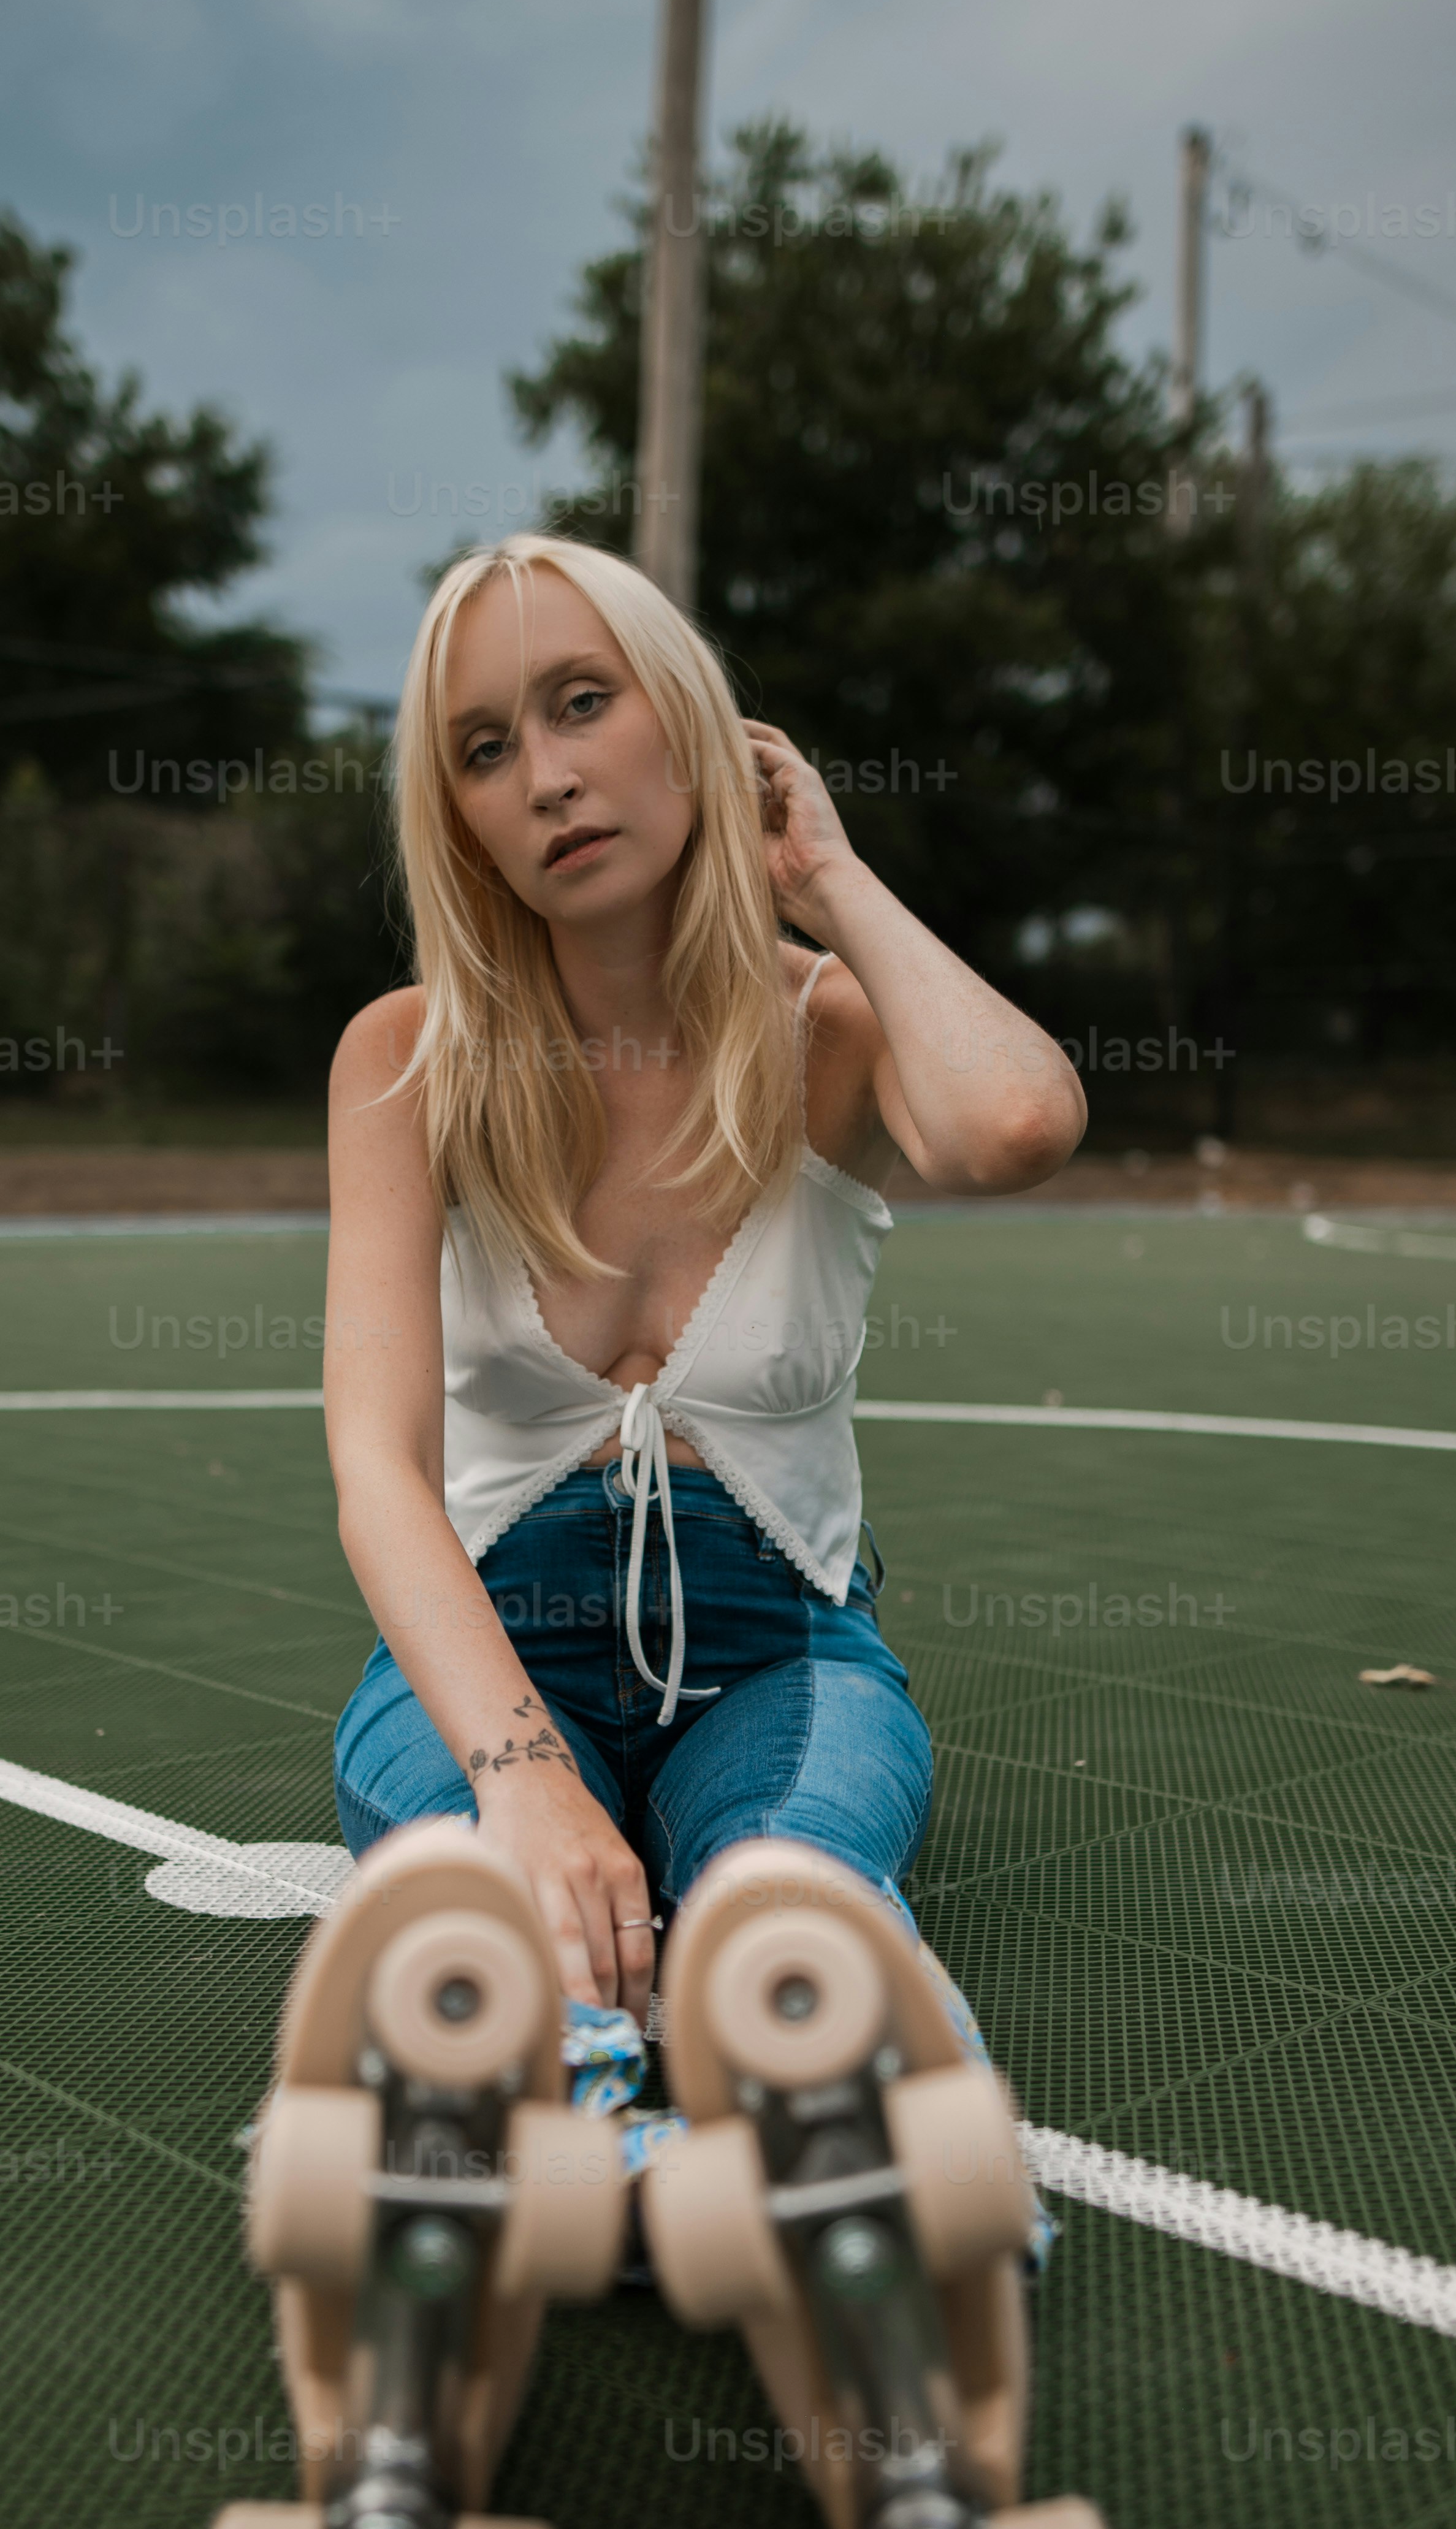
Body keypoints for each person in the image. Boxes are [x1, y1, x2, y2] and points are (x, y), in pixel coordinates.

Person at [319, 532, 1086, 2145]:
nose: (544, 776)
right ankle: (570, 2179)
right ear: (452, 811)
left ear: (691, 723)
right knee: (481, 1918)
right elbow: (376, 1466)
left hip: (782, 1657)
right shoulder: (405, 1061)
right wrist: (524, 1771)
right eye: (483, 747)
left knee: (789, 1922)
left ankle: (866, 2209)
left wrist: (827, 882)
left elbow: (1017, 1123)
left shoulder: (833, 1031)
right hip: (481, 1662)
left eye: (582, 702)